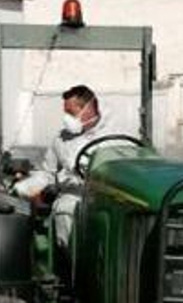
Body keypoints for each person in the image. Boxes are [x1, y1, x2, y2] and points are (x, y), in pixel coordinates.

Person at [12, 84, 134, 254]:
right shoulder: (62, 139)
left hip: (111, 197)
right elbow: (48, 172)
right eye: (66, 113)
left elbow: (130, 170)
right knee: (65, 209)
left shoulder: (119, 136)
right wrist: (27, 186)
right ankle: (74, 263)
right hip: (74, 196)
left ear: (89, 108)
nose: (67, 118)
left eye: (71, 113)